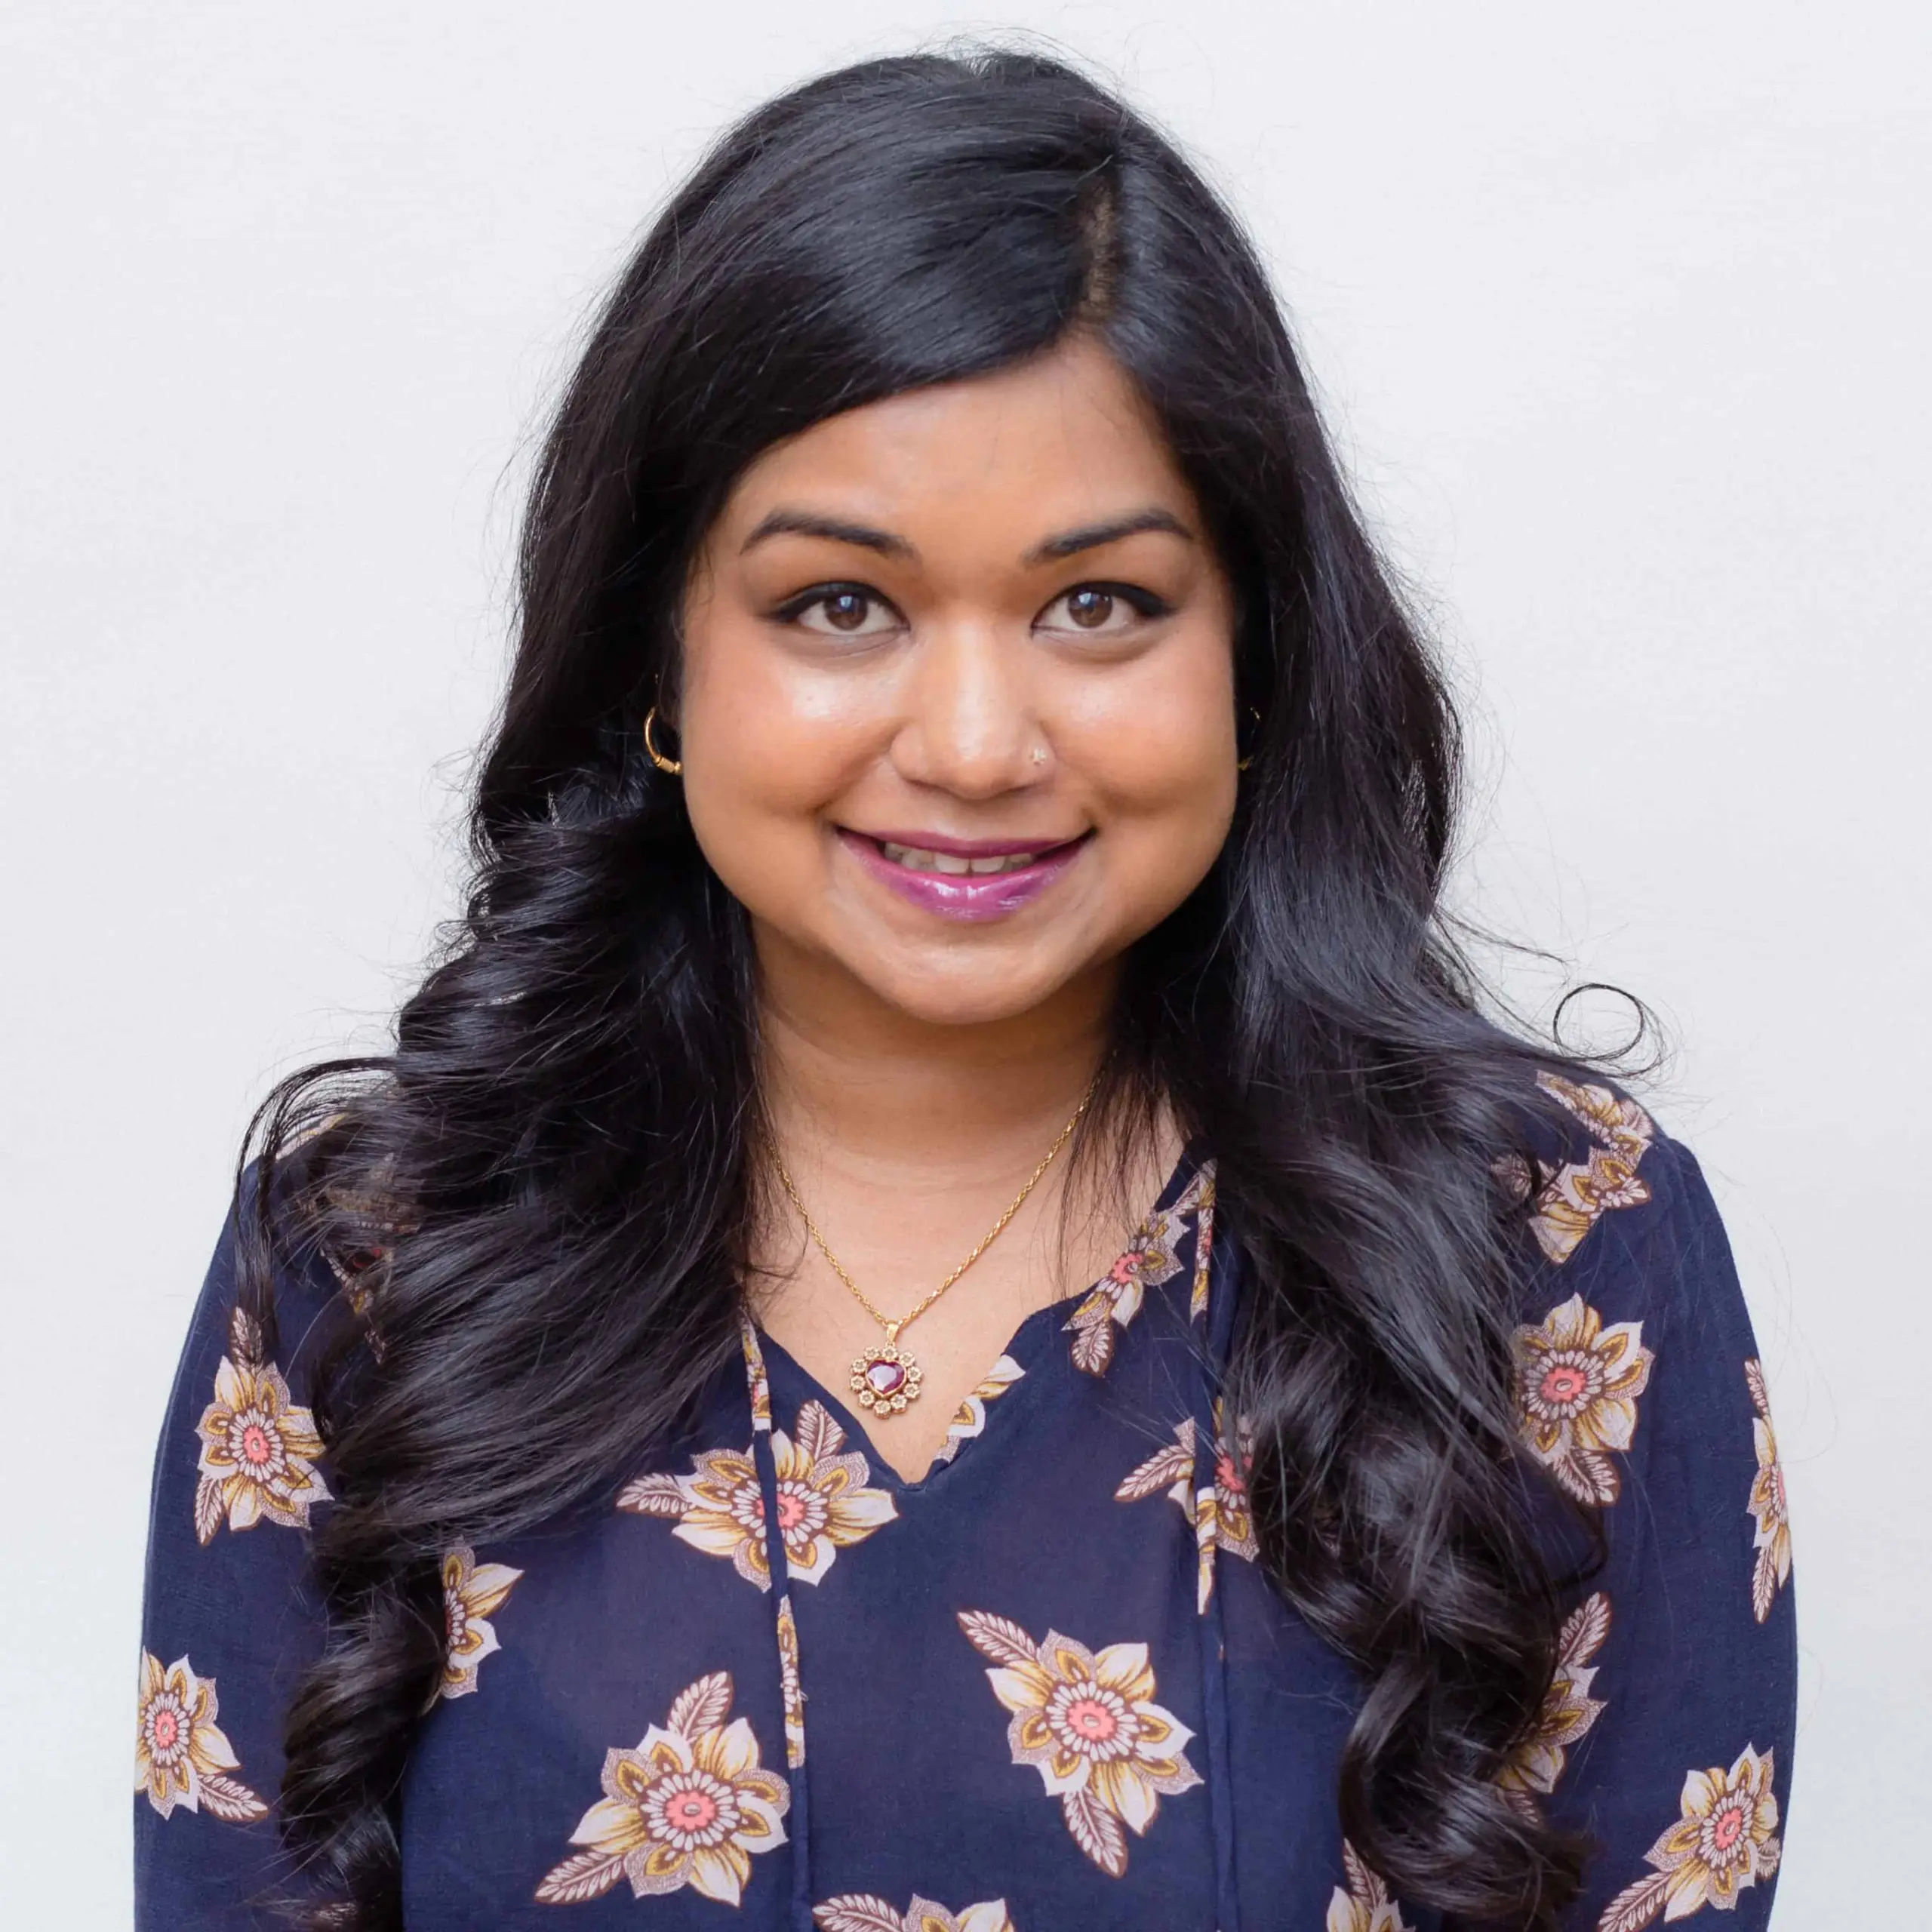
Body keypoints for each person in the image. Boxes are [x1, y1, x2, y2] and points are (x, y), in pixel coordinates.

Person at [134, 48, 1796, 1932]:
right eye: (838, 603)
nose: (979, 741)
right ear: (656, 654)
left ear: (1252, 656)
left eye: (1099, 605)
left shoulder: (1549, 1242)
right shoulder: (376, 1241)